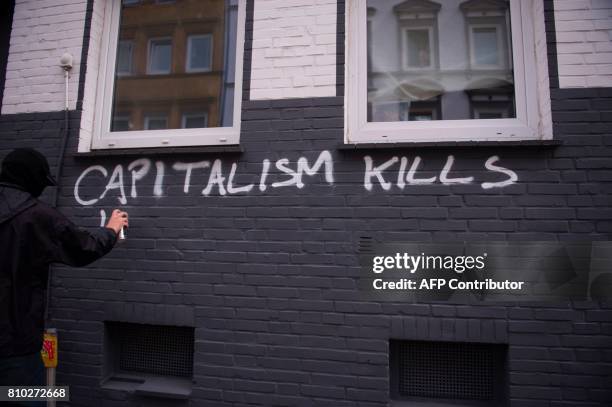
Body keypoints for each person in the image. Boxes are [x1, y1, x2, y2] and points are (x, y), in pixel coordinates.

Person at [0, 148, 128, 393]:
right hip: (15, 344)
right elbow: (84, 248)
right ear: (32, 179)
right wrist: (111, 230)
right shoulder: (36, 216)